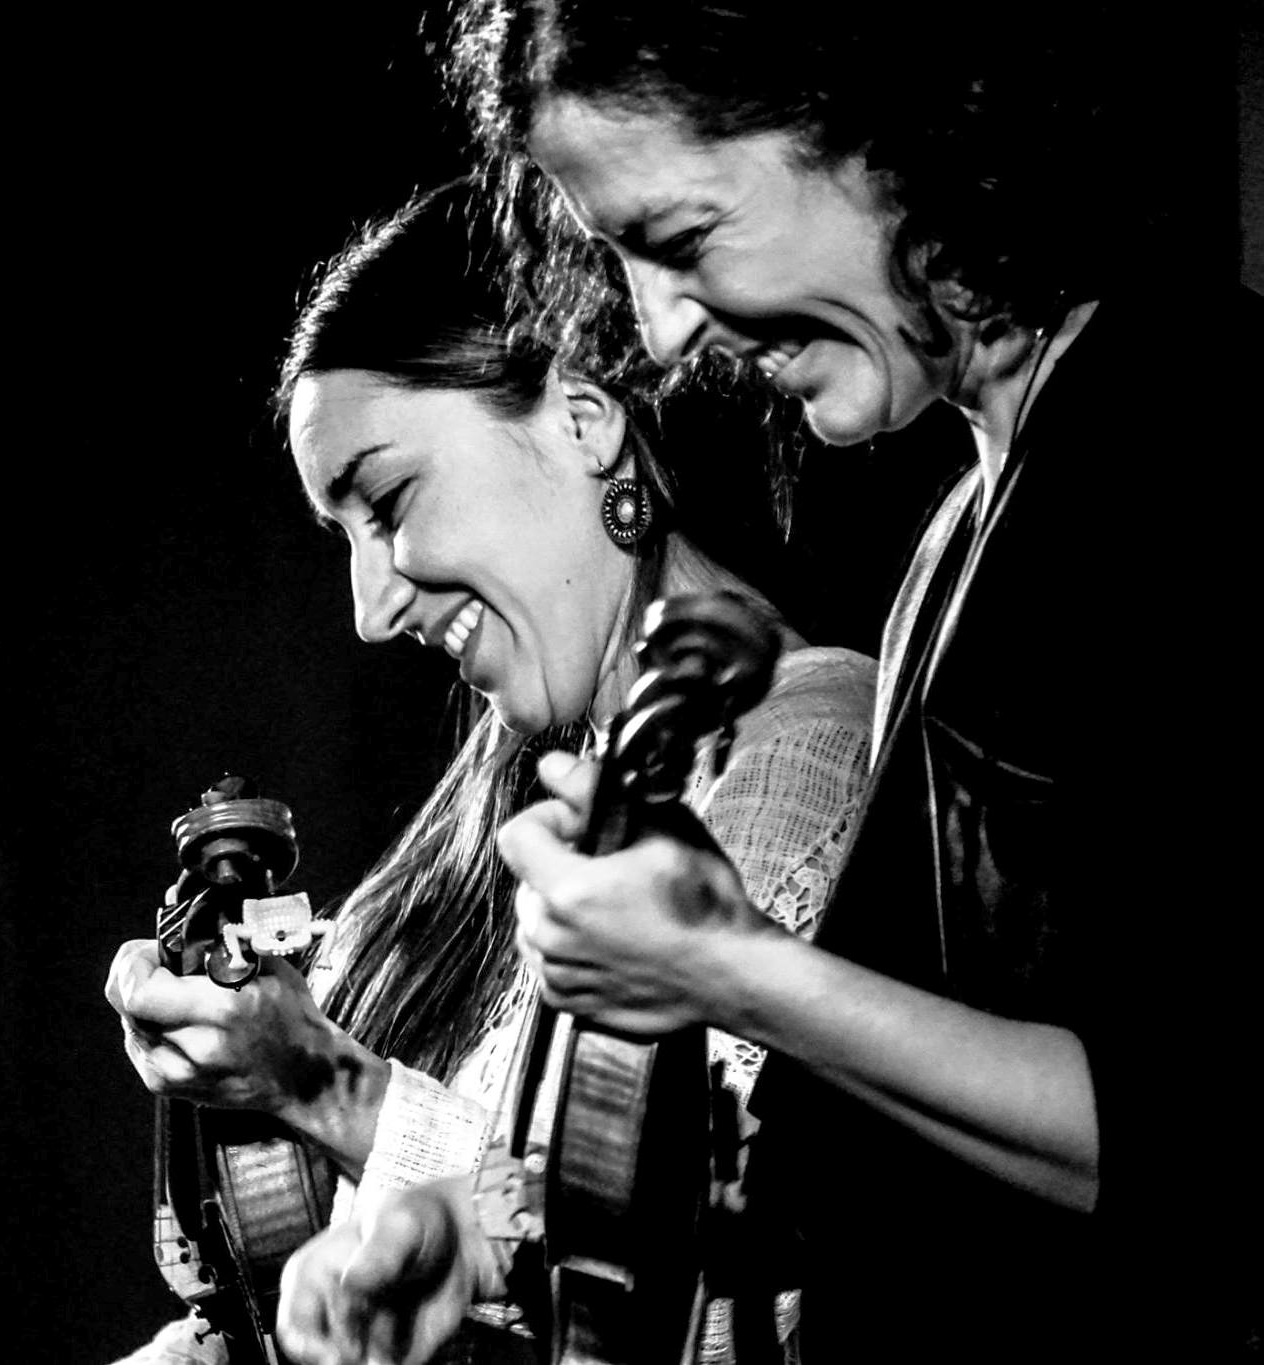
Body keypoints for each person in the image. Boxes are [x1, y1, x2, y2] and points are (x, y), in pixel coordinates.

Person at [276, 6, 1260, 1363]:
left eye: (683, 241)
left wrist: (730, 970)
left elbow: (1207, 1138)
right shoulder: (964, 528)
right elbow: (862, 1180)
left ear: (882, 125)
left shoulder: (1193, 440)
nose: (663, 331)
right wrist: (478, 1232)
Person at [106, 177, 878, 1364]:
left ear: (582, 418)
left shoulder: (800, 748)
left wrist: (330, 1090)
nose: (369, 610)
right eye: (342, 539)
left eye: (388, 501)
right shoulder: (520, 794)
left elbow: (699, 1284)